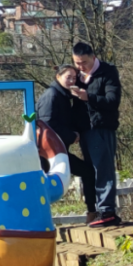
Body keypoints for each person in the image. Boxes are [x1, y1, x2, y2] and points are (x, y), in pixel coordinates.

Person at [70, 41, 123, 228]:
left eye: (84, 62)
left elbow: (113, 100)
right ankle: (100, 210)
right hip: (85, 130)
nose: (80, 67)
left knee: (103, 169)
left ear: (93, 57)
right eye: (76, 63)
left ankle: (108, 211)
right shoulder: (76, 75)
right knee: (92, 170)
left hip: (101, 127)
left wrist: (88, 97)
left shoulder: (108, 72)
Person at [37, 65, 98, 222]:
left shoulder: (64, 96)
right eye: (68, 77)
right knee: (87, 172)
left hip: (58, 151)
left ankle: (92, 211)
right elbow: (47, 125)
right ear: (58, 77)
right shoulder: (52, 95)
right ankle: (91, 212)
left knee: (87, 172)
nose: (72, 81)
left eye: (74, 78)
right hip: (48, 154)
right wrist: (71, 135)